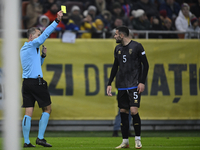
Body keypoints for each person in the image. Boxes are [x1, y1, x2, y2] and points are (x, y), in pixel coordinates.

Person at [20, 10, 63, 148]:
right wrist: (57, 20)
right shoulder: (33, 44)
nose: (40, 37)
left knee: (28, 112)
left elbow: (36, 66)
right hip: (36, 83)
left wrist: (42, 57)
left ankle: (26, 142)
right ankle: (40, 138)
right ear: (31, 36)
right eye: (37, 34)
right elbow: (45, 35)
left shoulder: (24, 49)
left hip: (26, 83)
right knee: (47, 109)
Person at [107, 26, 149, 149]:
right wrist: (109, 83)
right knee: (123, 112)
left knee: (133, 111)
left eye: (116, 34)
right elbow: (115, 67)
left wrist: (142, 82)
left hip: (134, 84)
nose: (114, 36)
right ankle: (125, 141)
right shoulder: (118, 48)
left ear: (122, 35)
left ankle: (138, 139)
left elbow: (145, 65)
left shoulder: (137, 46)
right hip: (121, 85)